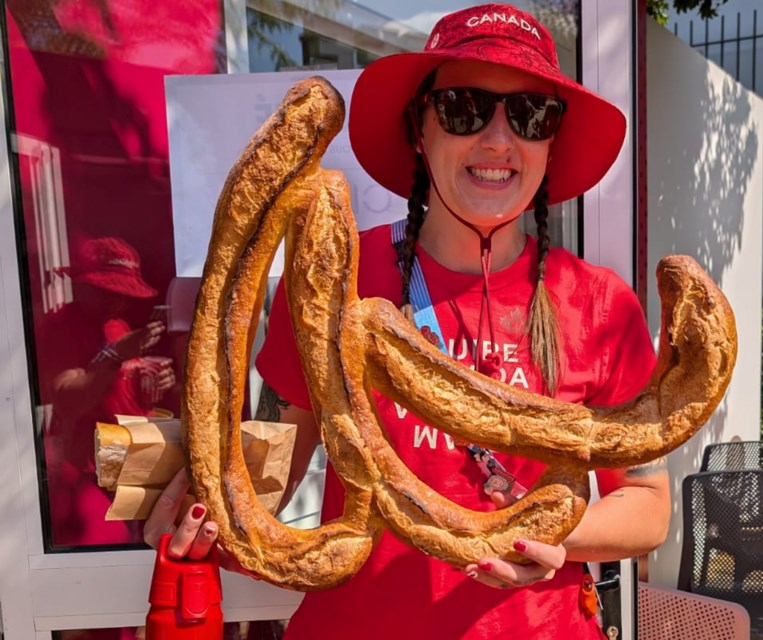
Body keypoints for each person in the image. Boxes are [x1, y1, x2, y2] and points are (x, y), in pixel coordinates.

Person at [146, 5, 669, 639]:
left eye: (532, 115)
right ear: (419, 129)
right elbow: (286, 454)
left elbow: (648, 506)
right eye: (462, 109)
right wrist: (208, 507)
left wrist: (557, 532)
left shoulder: (599, 304)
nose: (499, 140)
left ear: (550, 140)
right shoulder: (332, 275)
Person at [36, 235, 176, 549]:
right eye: (106, 291)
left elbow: (119, 390)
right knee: (107, 549)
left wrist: (155, 381)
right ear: (80, 284)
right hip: (86, 470)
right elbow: (69, 399)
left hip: (132, 462)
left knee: (146, 547)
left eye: (123, 294)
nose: (117, 301)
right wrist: (116, 356)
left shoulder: (118, 325)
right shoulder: (59, 327)